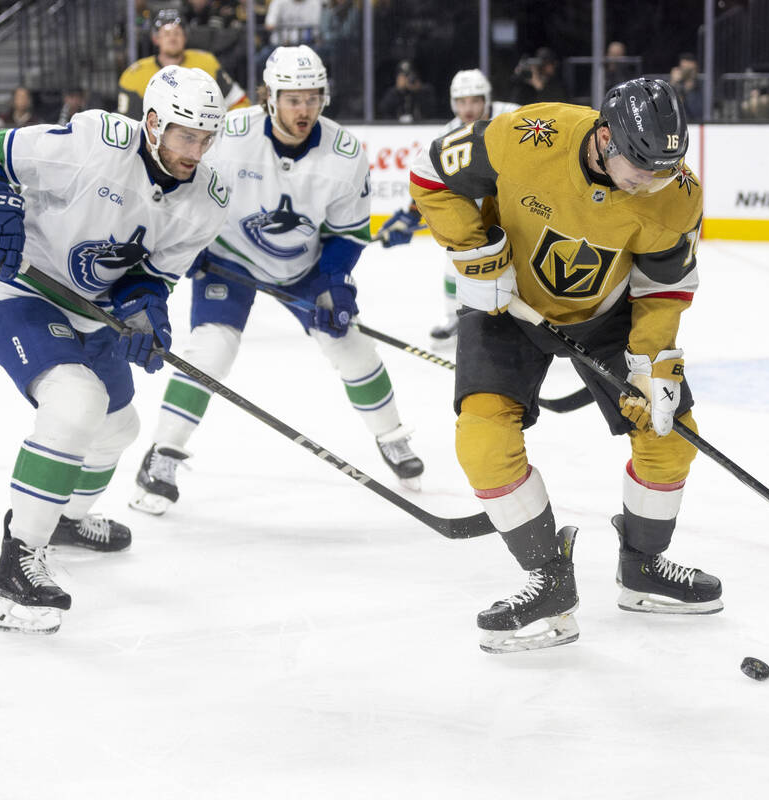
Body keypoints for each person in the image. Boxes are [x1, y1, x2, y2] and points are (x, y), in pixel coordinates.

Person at [409, 77, 721, 654]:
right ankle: (548, 579)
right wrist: (477, 256)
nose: (651, 182)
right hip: (507, 301)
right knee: (480, 439)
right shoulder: (530, 135)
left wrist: (654, 367)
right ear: (605, 135)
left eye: (664, 169)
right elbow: (430, 173)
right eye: (640, 166)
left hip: (607, 313)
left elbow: (664, 286)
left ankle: (643, 566)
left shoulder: (676, 192)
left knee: (671, 436)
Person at [0, 65, 230, 634]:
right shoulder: (93, 142)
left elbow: (153, 275)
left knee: (117, 428)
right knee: (75, 402)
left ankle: (65, 520)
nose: (195, 151)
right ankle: (17, 564)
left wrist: (145, 309)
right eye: (185, 135)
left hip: (91, 313)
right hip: (20, 292)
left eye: (205, 139)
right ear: (152, 123)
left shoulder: (208, 197)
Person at [129, 45, 424, 517]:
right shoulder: (231, 134)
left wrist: (333, 281)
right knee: (211, 350)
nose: (303, 109)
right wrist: (192, 245)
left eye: (312, 98)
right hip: (231, 259)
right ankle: (162, 455)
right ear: (270, 96)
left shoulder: (344, 152)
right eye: (292, 98)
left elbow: (348, 233)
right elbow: (187, 186)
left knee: (352, 346)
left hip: (303, 268)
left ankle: (392, 437)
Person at [378, 68, 521, 343]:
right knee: (457, 256)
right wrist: (410, 215)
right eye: (461, 102)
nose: (468, 109)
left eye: (474, 101)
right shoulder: (448, 134)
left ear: (486, 99)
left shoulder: (510, 116)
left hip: (517, 199)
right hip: (479, 204)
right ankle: (454, 316)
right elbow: (433, 177)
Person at [118, 8, 247, 119]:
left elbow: (238, 101)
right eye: (167, 34)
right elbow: (128, 123)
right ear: (156, 39)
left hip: (204, 140)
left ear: (185, 37)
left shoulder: (207, 63)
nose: (172, 38)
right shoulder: (135, 75)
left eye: (177, 33)